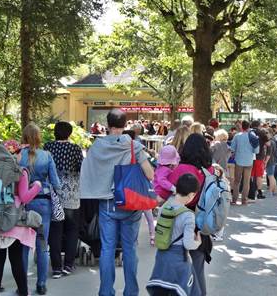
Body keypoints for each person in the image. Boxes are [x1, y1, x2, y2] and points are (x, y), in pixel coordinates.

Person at [80, 109, 154, 296]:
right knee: (129, 248)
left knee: (107, 248)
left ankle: (106, 291)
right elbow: (150, 173)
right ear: (124, 124)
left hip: (107, 203)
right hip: (129, 202)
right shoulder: (133, 146)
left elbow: (90, 170)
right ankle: (131, 291)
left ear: (108, 124)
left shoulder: (98, 146)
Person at [0, 142, 41, 296]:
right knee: (16, 260)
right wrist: (37, 186)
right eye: (20, 153)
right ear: (15, 154)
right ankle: (24, 293)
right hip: (15, 222)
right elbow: (25, 197)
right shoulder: (19, 171)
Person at [168, 134, 214, 295]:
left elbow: (170, 192)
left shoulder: (180, 169)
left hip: (180, 220)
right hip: (201, 221)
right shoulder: (210, 170)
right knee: (198, 266)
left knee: (176, 264)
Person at [19, 123, 61, 295]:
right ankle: (41, 284)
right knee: (42, 245)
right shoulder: (46, 155)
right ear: (38, 136)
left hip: (23, 204)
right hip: (43, 203)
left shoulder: (17, 155)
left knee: (22, 245)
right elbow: (56, 183)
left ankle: (22, 284)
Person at [146, 173, 202, 295]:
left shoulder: (164, 207)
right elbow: (187, 244)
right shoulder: (188, 215)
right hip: (178, 260)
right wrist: (197, 242)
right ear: (192, 195)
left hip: (161, 258)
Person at [44, 121, 84, 279]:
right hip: (72, 193)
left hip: (53, 193)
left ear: (55, 132)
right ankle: (68, 264)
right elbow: (81, 168)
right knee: (72, 229)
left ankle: (56, 268)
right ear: (69, 133)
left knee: (55, 230)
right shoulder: (75, 148)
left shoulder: (48, 147)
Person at [230, 120, 259, 205]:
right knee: (246, 181)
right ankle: (244, 200)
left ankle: (234, 199)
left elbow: (232, 148)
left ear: (242, 127)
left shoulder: (237, 136)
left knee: (237, 181)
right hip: (249, 161)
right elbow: (256, 151)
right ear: (249, 127)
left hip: (239, 160)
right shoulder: (253, 136)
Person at [250, 121, 268, 200]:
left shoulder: (249, 132)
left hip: (250, 156)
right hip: (259, 156)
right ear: (259, 125)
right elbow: (269, 144)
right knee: (259, 176)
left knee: (250, 175)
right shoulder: (262, 133)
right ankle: (259, 192)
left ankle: (250, 191)